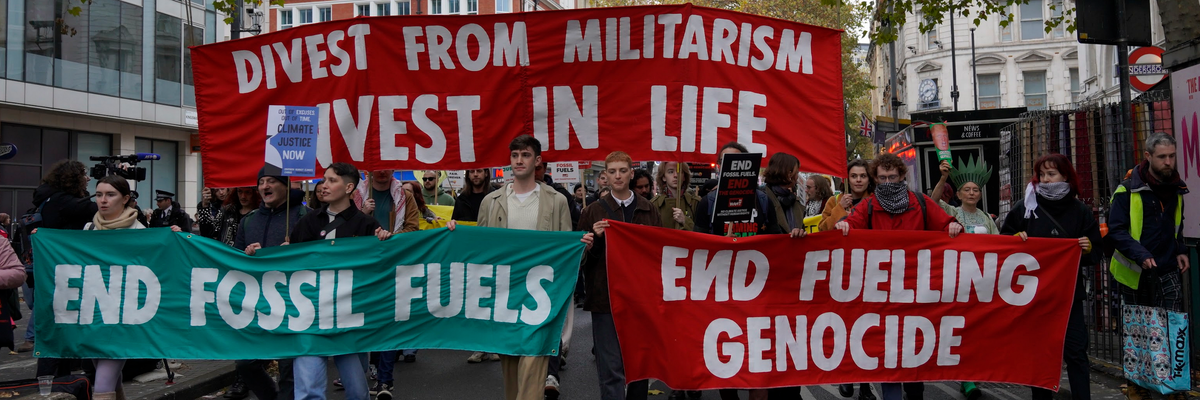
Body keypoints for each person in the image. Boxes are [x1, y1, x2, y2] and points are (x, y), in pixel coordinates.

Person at [447, 135, 591, 400]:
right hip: (504, 297)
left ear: (537, 161)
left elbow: (566, 255)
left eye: (525, 155)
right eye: (514, 156)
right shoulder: (491, 202)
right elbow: (478, 251)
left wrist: (581, 248)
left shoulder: (556, 200)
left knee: (533, 364)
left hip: (540, 296)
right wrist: (456, 236)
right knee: (511, 369)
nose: (519, 161)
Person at [835, 153, 962, 400]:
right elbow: (851, 225)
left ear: (902, 175)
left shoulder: (921, 202)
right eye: (882, 178)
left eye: (892, 177)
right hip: (881, 295)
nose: (887, 182)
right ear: (876, 178)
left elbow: (947, 224)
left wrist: (953, 227)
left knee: (913, 354)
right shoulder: (868, 206)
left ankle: (914, 394)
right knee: (887, 354)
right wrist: (844, 226)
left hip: (916, 295)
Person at [271, 163, 393, 400]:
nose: (323, 185)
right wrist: (264, 254)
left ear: (349, 187)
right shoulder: (307, 223)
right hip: (310, 316)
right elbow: (286, 264)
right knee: (308, 391)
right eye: (324, 179)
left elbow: (382, 267)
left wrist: (385, 243)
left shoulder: (367, 225)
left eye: (331, 180)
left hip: (348, 318)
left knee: (358, 392)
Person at [1000, 153, 1099, 400]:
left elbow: (1096, 252)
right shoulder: (1025, 208)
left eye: (1051, 174)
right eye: (1041, 175)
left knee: (1076, 353)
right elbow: (1002, 245)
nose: (1045, 180)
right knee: (1041, 356)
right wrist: (1014, 241)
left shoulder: (1080, 211)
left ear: (1065, 176)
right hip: (1035, 298)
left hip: (1069, 298)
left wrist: (1088, 248)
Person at [1106, 133, 1188, 400]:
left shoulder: (1176, 187)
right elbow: (1116, 231)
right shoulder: (1127, 189)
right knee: (1137, 331)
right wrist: (1141, 255)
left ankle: (1174, 384)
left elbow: (1177, 225)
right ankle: (1137, 385)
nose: (1168, 162)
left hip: (1167, 266)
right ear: (1149, 157)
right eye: (1162, 157)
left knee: (1174, 327)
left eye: (1172, 156)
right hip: (1135, 272)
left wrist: (1182, 249)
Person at [578, 151, 661, 400]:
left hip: (640, 299)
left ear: (631, 173)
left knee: (638, 367)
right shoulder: (592, 212)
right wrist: (593, 242)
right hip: (605, 298)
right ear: (605, 175)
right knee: (610, 368)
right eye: (612, 171)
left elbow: (660, 256)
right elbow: (581, 259)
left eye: (622, 171)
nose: (617, 176)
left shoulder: (649, 210)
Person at [232, 166, 307, 400]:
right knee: (246, 364)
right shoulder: (249, 220)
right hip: (258, 304)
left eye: (271, 181)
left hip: (293, 303)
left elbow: (315, 256)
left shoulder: (304, 216)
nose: (265, 186)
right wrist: (247, 253)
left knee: (288, 369)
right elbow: (236, 259)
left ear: (285, 185)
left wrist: (294, 249)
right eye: (261, 182)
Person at [929, 159, 997, 400]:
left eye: (975, 190)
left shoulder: (987, 219)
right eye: (966, 189)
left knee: (976, 330)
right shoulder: (952, 212)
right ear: (958, 194)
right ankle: (967, 379)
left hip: (981, 283)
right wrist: (943, 178)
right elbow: (933, 202)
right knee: (960, 329)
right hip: (957, 281)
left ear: (980, 194)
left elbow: (1000, 246)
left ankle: (971, 373)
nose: (971, 193)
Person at [25, 160, 98, 361]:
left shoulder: (48, 198)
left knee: (50, 306)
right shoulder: (64, 202)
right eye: (84, 174)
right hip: (64, 265)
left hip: (45, 263)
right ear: (73, 178)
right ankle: (58, 361)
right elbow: (99, 210)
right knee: (61, 310)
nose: (88, 178)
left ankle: (45, 348)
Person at [82, 175, 145, 400]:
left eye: (110, 194)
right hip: (94, 313)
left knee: (102, 384)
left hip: (123, 317)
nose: (103, 200)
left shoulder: (140, 232)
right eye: (98, 194)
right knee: (107, 374)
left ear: (126, 198)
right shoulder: (89, 228)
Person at [693, 142, 779, 237]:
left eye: (735, 160)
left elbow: (776, 240)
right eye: (724, 161)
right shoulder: (708, 202)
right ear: (719, 165)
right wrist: (722, 243)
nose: (730, 165)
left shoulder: (763, 200)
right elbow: (699, 243)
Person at [356, 169, 420, 234]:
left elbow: (413, 228)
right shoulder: (357, 196)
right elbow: (349, 227)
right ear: (371, 170)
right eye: (378, 168)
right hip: (367, 243)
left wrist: (390, 237)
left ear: (393, 170)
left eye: (386, 167)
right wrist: (362, 213)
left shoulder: (406, 197)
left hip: (395, 243)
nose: (382, 171)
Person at [820, 159, 874, 234]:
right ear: (848, 180)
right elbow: (823, 229)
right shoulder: (834, 201)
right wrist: (840, 208)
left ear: (869, 180)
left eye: (863, 176)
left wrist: (853, 218)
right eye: (854, 176)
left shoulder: (875, 201)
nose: (858, 180)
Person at [763, 153, 807, 237]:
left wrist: (800, 233)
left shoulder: (796, 200)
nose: (797, 176)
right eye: (796, 172)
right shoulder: (762, 198)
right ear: (789, 174)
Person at [651, 162, 700, 232]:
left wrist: (685, 221)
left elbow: (702, 234)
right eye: (670, 172)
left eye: (679, 171)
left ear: (684, 177)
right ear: (664, 177)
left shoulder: (695, 203)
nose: (676, 175)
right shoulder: (654, 204)